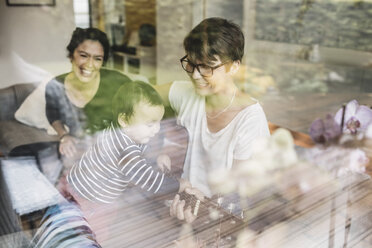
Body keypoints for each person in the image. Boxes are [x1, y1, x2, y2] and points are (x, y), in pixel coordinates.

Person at [155, 17, 270, 222]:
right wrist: (158, 145)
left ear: (234, 67)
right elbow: (137, 96)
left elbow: (240, 195)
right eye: (190, 63)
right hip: (179, 206)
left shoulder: (250, 119)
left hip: (219, 219)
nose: (196, 76)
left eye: (207, 66)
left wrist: (202, 208)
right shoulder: (185, 93)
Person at [66, 81, 192, 204]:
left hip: (76, 183)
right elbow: (148, 179)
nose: (158, 129)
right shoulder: (123, 147)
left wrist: (156, 159)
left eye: (159, 121)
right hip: (89, 199)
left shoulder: (121, 133)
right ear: (124, 121)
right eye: (150, 124)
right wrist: (178, 185)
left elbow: (139, 161)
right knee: (97, 224)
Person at [45, 27, 132, 158]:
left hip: (118, 151)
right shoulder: (55, 86)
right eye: (83, 55)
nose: (89, 64)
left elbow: (141, 114)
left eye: (97, 59)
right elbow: (53, 114)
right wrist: (64, 135)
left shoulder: (118, 83)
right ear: (71, 55)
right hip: (81, 152)